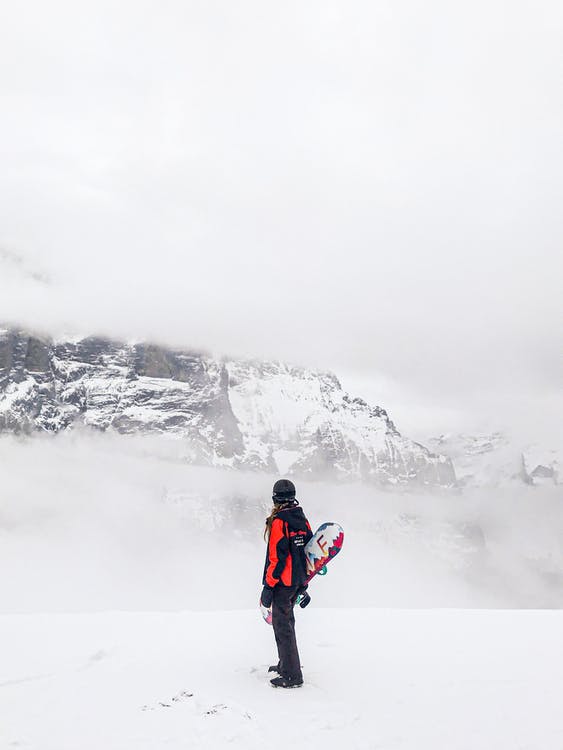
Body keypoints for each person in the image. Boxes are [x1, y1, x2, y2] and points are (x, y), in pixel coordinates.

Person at [260, 478, 313, 688]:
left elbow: (276, 557)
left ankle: (292, 675)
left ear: (275, 498)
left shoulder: (280, 521)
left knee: (283, 627)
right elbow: (308, 552)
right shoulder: (301, 518)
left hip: (283, 583)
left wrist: (268, 586)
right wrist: (304, 585)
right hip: (297, 581)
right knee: (286, 624)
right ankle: (286, 665)